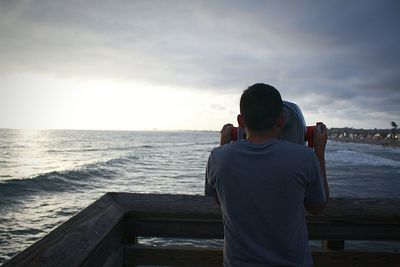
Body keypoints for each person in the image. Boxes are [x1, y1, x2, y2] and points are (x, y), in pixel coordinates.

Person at [205, 83, 329, 267]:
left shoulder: (218, 157)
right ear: (281, 120)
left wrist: (224, 143)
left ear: (240, 121)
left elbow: (219, 199)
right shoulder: (304, 158)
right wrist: (318, 150)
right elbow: (317, 207)